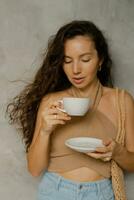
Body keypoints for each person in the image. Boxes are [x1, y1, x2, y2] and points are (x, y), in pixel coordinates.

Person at [6, 20, 134, 200]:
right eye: (67, 61)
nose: (75, 70)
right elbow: (34, 169)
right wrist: (45, 130)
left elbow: (133, 163)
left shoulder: (122, 100)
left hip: (101, 194)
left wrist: (117, 152)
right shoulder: (52, 101)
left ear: (100, 60)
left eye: (85, 59)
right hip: (55, 191)